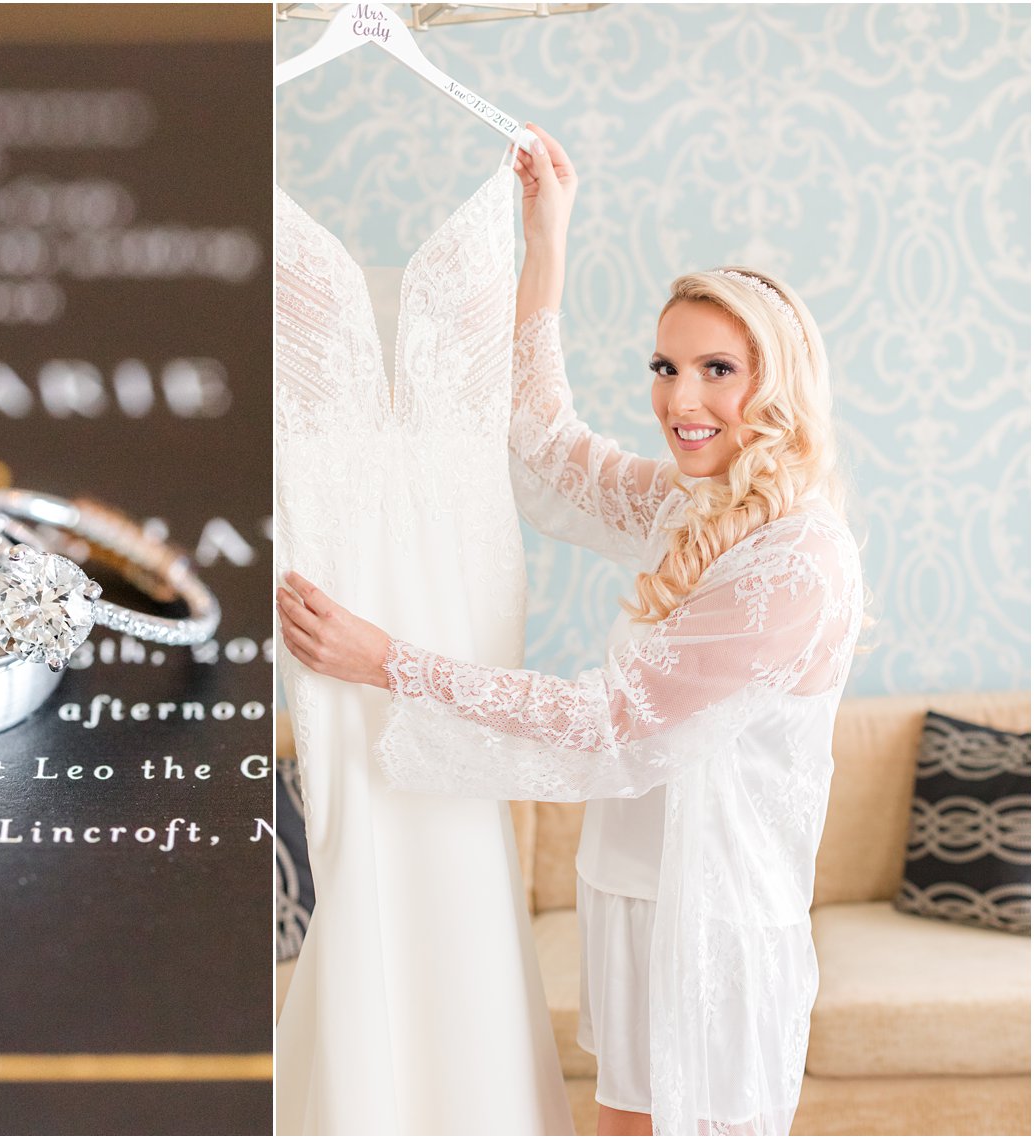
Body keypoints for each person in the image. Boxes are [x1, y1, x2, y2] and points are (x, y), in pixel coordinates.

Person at [277, 122, 869, 1136]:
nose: (678, 398)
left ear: (776, 376)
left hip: (711, 917)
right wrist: (546, 240)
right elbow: (548, 451)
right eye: (663, 365)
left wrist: (390, 662)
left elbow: (611, 720)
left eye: (715, 369)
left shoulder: (794, 564)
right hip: (633, 892)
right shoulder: (694, 506)